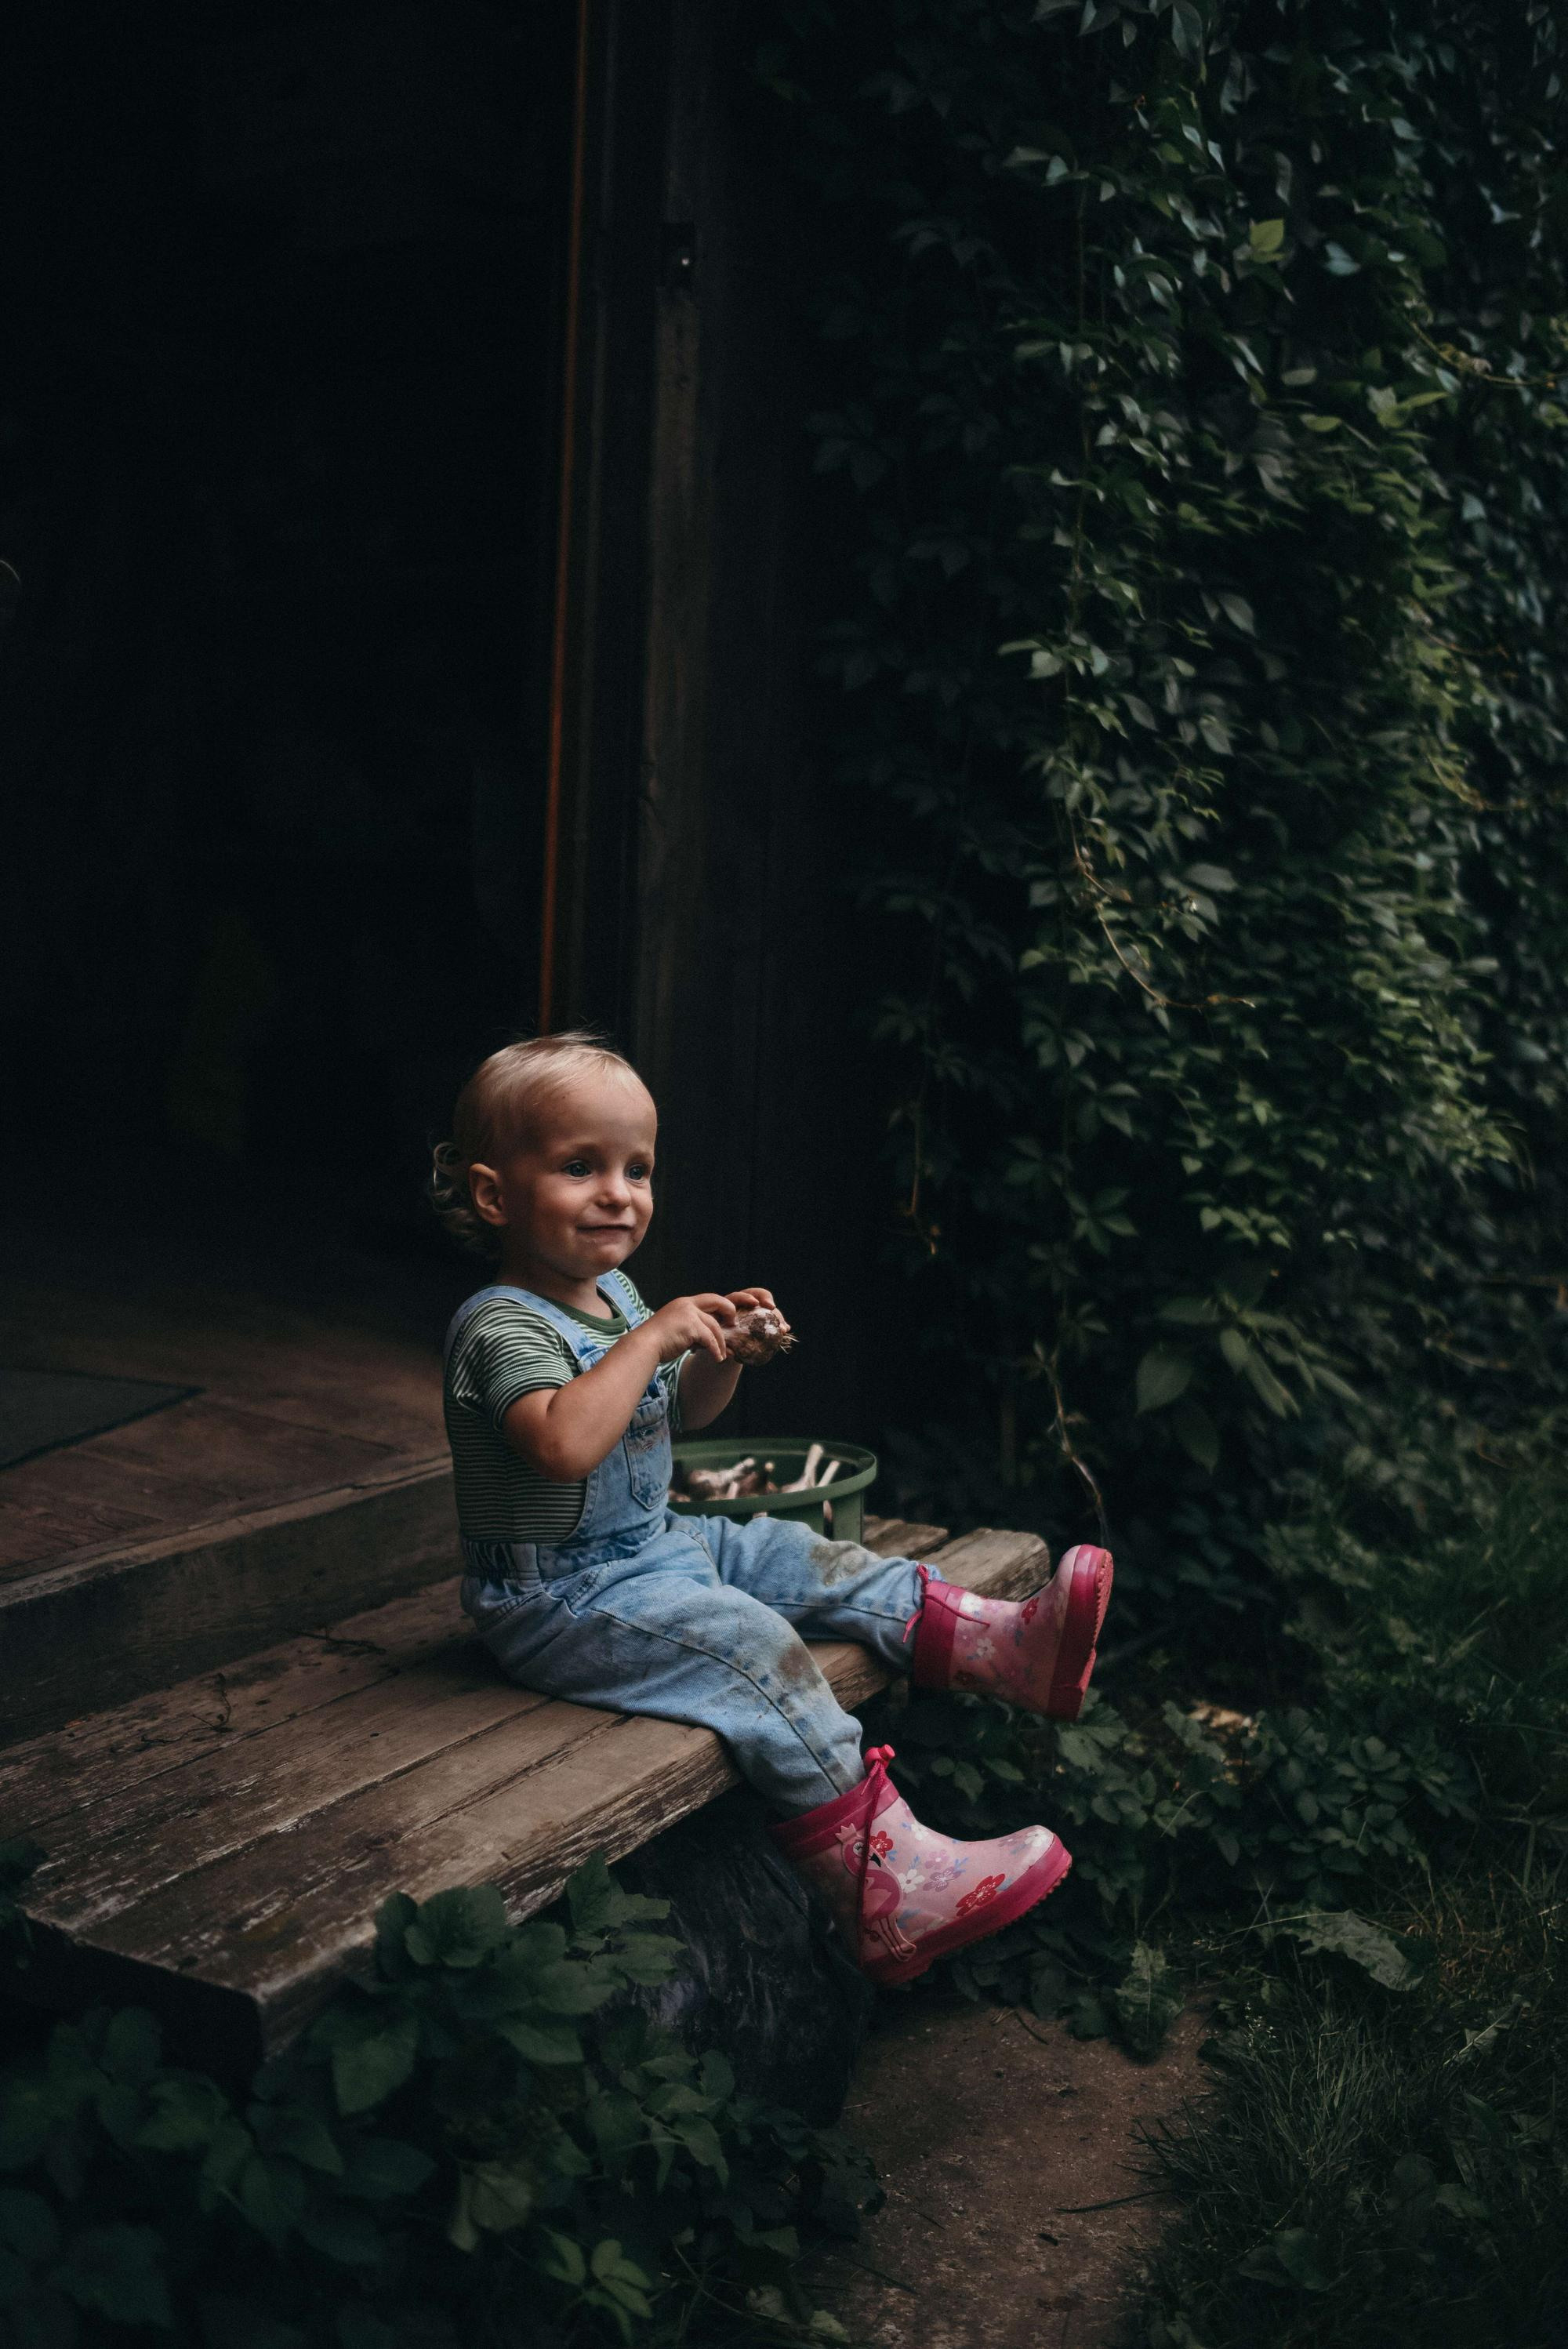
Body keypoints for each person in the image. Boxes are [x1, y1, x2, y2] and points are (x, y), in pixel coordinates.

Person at [431, 1033, 1113, 1986]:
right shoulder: (499, 1322)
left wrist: (715, 1354)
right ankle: (884, 1887)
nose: (617, 1192)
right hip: (558, 1597)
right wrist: (660, 1331)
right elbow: (563, 1442)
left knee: (802, 1553)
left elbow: (677, 1409)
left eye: (637, 1168)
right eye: (578, 1166)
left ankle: (1003, 1646)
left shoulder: (618, 1295)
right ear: (495, 1194)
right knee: (753, 1647)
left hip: (651, 1542)